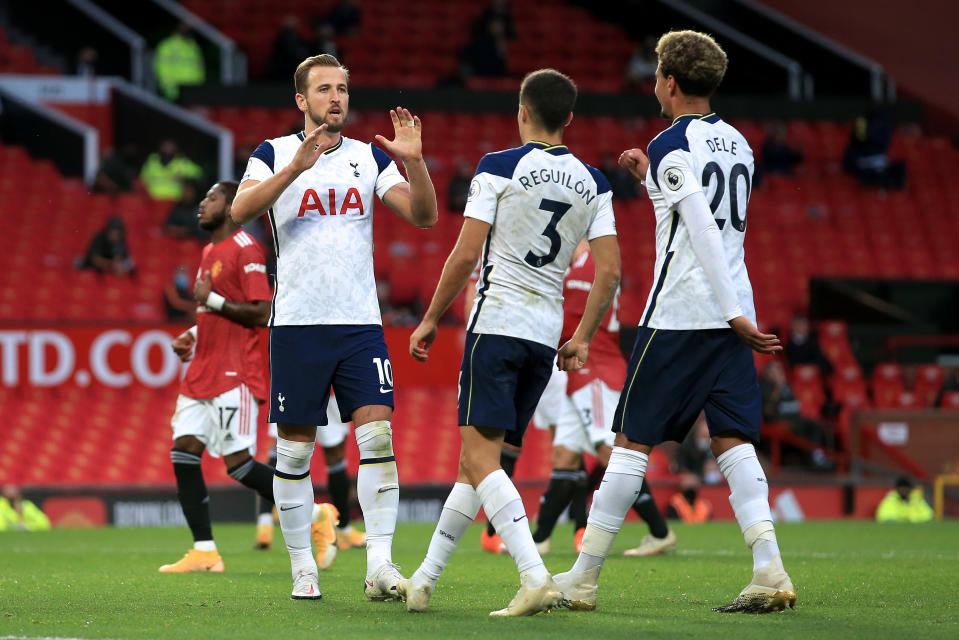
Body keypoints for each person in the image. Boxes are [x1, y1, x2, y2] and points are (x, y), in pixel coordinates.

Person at [553, 30, 796, 615]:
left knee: (630, 443)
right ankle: (769, 569)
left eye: (659, 74)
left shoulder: (670, 142)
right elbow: (706, 214)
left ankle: (583, 579)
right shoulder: (739, 144)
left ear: (671, 82)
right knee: (734, 442)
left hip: (682, 317)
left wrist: (733, 313)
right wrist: (648, 177)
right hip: (729, 318)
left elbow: (704, 235)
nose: (656, 83)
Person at [402, 68, 620, 616]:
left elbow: (465, 254)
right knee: (473, 465)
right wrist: (583, 337)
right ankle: (423, 581)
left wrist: (430, 318)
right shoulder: (596, 183)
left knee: (480, 458)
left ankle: (533, 575)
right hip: (544, 340)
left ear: (521, 111)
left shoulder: (499, 168)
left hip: (497, 325)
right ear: (569, 118)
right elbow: (610, 273)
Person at [230, 53, 438, 601]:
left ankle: (380, 566)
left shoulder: (370, 157)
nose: (336, 98)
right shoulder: (273, 153)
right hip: (297, 323)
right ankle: (303, 567)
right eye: (324, 89)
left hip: (359, 323)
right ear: (301, 100)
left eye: (343, 88)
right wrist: (296, 167)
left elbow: (424, 216)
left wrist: (414, 162)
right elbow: (238, 210)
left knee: (378, 435)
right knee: (295, 453)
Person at [158, 180, 286, 573]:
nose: (201, 202)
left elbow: (261, 313)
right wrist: (193, 334)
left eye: (212, 197)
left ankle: (313, 514)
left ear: (233, 207)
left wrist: (208, 299)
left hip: (234, 372)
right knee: (183, 451)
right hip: (202, 371)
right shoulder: (210, 250)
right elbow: (213, 313)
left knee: (238, 465)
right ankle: (205, 551)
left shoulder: (247, 249)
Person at [531, 240, 675, 558]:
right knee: (565, 457)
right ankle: (539, 538)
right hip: (578, 374)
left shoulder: (586, 267)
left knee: (610, 454)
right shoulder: (592, 264)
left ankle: (660, 531)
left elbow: (567, 323)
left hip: (593, 370)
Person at [254, 394, 368, 554]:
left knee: (281, 446)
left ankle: (264, 524)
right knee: (332, 455)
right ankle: (343, 529)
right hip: (324, 388)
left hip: (298, 385)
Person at [155, 22, 205, 101]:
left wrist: (199, 88)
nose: (186, 28)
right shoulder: (167, 45)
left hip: (192, 91)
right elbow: (161, 68)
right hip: (174, 91)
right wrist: (168, 87)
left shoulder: (194, 46)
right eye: (183, 26)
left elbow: (199, 68)